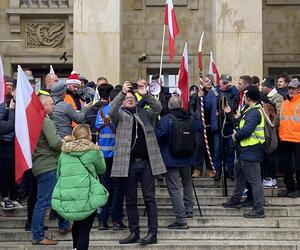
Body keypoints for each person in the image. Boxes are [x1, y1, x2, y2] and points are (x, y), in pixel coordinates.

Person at [109, 81, 166, 245]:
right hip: (128, 164)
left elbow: (158, 108)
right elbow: (111, 109)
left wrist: (145, 94)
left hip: (147, 163)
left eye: (132, 97)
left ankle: (152, 233)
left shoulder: (145, 113)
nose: (130, 99)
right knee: (131, 199)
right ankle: (134, 232)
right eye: (127, 98)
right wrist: (121, 93)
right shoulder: (119, 115)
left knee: (150, 199)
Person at [51, 124, 108, 250]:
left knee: (76, 225)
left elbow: (59, 173)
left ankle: (75, 247)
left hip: (69, 195)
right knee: (84, 230)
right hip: (87, 194)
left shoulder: (65, 152)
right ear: (88, 136)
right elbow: (102, 169)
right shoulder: (93, 151)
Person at [31, 95, 70, 245]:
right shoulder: (45, 121)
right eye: (52, 104)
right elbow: (54, 143)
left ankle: (64, 225)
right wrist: (65, 143)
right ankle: (38, 235)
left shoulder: (36, 121)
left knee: (57, 197)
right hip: (47, 165)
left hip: (42, 164)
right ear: (44, 106)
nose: (54, 106)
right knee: (43, 202)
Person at [222, 87, 265, 218]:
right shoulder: (250, 110)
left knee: (255, 180)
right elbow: (239, 124)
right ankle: (236, 200)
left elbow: (246, 131)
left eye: (245, 96)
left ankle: (259, 209)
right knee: (240, 175)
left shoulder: (254, 112)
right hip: (245, 151)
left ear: (248, 98)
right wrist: (229, 114)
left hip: (251, 150)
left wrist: (236, 136)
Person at [156, 96, 198, 229]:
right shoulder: (191, 118)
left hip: (171, 159)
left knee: (174, 188)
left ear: (169, 106)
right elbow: (197, 133)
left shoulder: (166, 120)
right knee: (187, 184)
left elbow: (159, 137)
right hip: (188, 157)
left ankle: (181, 219)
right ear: (182, 105)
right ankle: (189, 210)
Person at [95, 84, 126, 230]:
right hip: (116, 155)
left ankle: (102, 220)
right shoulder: (120, 112)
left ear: (108, 98)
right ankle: (116, 220)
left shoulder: (100, 111)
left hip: (102, 156)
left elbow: (97, 129)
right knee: (118, 190)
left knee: (104, 188)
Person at [278, 79, 300, 198]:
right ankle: (290, 188)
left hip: (298, 139)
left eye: (293, 88)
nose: (291, 90)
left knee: (298, 166)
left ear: (298, 89)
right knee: (284, 166)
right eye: (290, 88)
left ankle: (298, 189)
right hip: (285, 138)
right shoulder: (284, 103)